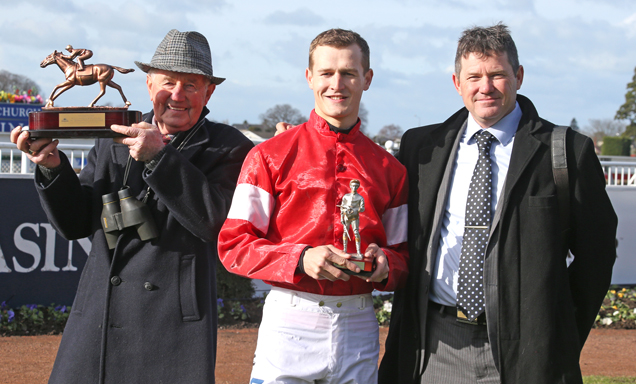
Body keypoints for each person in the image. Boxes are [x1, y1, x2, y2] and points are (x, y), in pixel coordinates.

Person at [379, 23, 617, 384]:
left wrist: (555, 336)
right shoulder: (421, 148)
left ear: (518, 76)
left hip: (528, 356)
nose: (485, 87)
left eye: (497, 75)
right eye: (473, 76)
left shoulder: (567, 151)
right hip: (435, 348)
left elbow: (595, 259)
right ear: (457, 83)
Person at [11, 29, 253, 384]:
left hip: (172, 327)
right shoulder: (116, 134)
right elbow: (76, 223)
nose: (177, 95)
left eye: (191, 84)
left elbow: (214, 224)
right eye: (168, 82)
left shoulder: (229, 146)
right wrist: (52, 167)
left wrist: (160, 157)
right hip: (98, 320)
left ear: (209, 91)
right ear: (149, 84)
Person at [218, 28, 409, 384]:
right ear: (310, 78)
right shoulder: (267, 156)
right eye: (327, 73)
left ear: (367, 78)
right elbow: (234, 245)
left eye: (349, 73)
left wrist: (385, 265)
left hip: (358, 326)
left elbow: (403, 255)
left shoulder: (390, 169)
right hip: (290, 322)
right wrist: (300, 258)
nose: (337, 83)